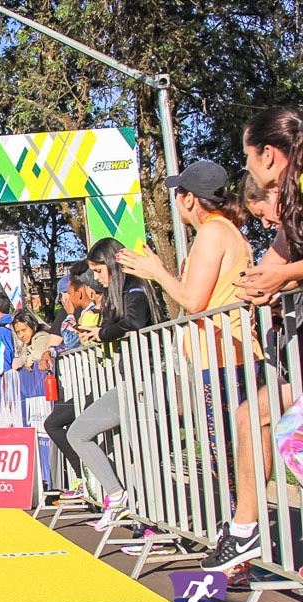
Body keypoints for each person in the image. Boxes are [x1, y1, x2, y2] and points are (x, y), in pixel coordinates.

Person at [116, 160, 259, 490]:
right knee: (234, 455)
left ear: (190, 199)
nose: (175, 202)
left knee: (225, 458)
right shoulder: (225, 231)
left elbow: (193, 302)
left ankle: (244, 532)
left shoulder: (212, 232)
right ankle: (244, 531)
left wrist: (157, 272)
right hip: (227, 354)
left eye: (177, 194)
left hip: (225, 357)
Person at [203, 106, 303, 571]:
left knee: (287, 433)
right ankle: (244, 531)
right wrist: (262, 283)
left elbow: (282, 266)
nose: (247, 170)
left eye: (248, 159)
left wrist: (283, 275)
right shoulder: (291, 205)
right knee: (253, 416)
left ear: (269, 154)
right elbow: (270, 263)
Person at [66, 238, 163, 531]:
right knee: (79, 433)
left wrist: (103, 332)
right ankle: (118, 496)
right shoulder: (120, 294)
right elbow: (121, 325)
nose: (96, 278)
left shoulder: (137, 288)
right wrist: (98, 333)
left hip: (147, 385)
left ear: (111, 265)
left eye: (98, 270)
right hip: (129, 384)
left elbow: (133, 322)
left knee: (144, 455)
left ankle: (152, 524)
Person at [43, 260, 104, 499]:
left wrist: (69, 317)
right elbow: (58, 344)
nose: (65, 299)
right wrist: (50, 352)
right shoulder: (77, 313)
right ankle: (89, 481)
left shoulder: (90, 312)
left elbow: (73, 342)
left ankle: (93, 482)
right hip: (79, 385)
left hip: (94, 383)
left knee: (69, 429)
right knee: (62, 427)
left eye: (66, 294)